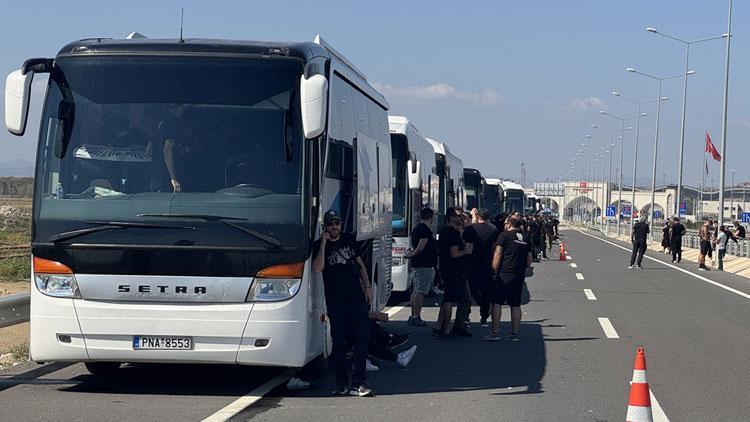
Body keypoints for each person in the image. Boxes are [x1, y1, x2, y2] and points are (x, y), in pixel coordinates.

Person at [312, 210, 373, 397]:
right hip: (336, 302)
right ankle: (341, 383)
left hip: (356, 299)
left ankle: (359, 383)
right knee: (338, 344)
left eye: (337, 223)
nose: (334, 227)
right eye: (330, 224)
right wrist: (323, 244)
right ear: (325, 227)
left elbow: (360, 264)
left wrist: (368, 286)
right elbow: (317, 268)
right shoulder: (319, 246)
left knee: (361, 341)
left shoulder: (348, 239)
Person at [484, 215, 532, 342]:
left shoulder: (504, 236)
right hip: (518, 276)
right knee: (515, 304)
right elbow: (529, 260)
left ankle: (495, 332)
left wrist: (494, 271)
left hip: (504, 274)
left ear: (509, 224)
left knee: (497, 302)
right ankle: (514, 334)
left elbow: (498, 253)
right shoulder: (525, 238)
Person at [432, 206, 473, 340]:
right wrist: (466, 251)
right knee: (450, 300)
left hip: (448, 269)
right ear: (450, 217)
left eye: (461, 216)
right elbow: (454, 253)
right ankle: (447, 330)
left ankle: (440, 327)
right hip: (454, 270)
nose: (461, 218)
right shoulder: (452, 233)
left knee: (448, 300)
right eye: (458, 216)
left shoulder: (445, 231)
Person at [462, 208, 499, 327]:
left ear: (478, 217)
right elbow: (494, 248)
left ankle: (466, 316)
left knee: (469, 292)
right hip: (486, 263)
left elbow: (465, 243)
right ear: (487, 218)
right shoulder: (493, 231)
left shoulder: (471, 230)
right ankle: (484, 316)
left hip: (470, 263)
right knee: (485, 291)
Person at [405, 208, 436, 327]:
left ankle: (413, 315)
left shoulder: (417, 228)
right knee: (421, 291)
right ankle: (416, 316)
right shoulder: (424, 230)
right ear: (431, 217)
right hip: (424, 264)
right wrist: (412, 255)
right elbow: (421, 246)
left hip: (417, 263)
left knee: (416, 290)